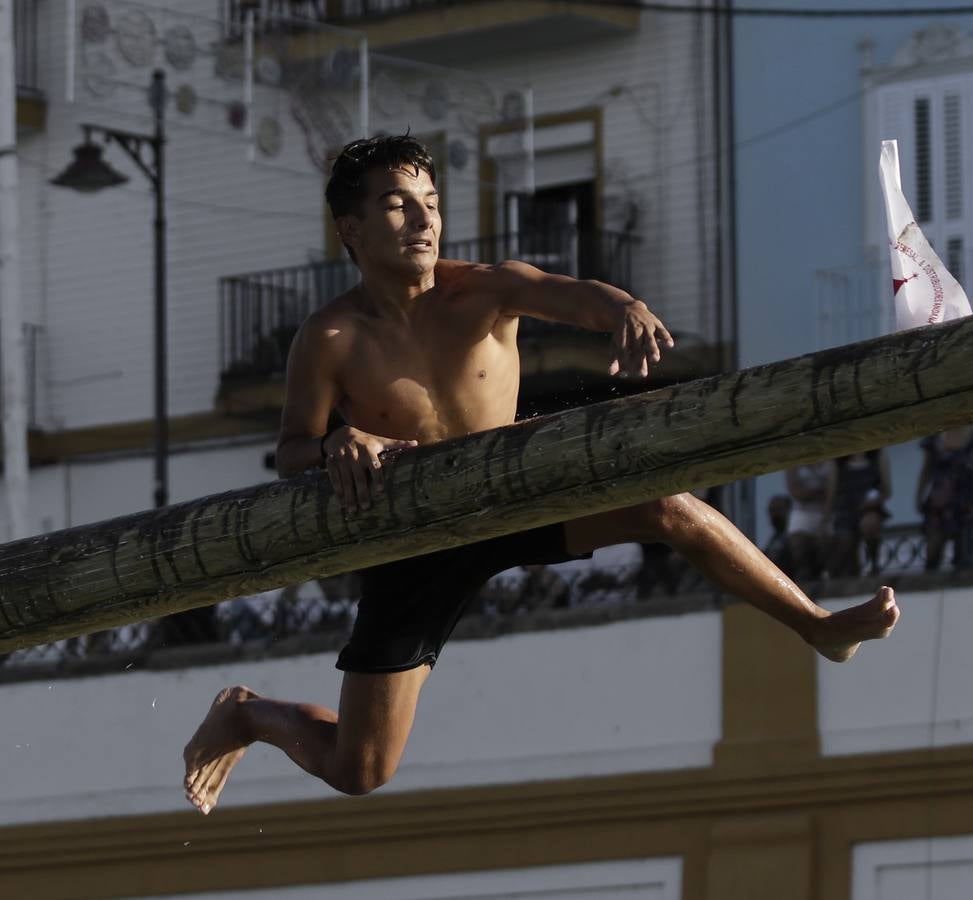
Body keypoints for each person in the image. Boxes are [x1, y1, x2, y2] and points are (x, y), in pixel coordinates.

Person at [182, 135, 900, 814]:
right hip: (410, 538)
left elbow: (573, 293)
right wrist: (338, 442)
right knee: (361, 770)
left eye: (431, 201)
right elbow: (291, 452)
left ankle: (816, 624)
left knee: (664, 506)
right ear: (351, 229)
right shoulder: (330, 337)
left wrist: (625, 308)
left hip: (509, 495)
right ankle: (248, 713)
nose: (423, 219)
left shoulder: (485, 291)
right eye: (399, 204)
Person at [917, 425, 973, 570]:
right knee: (933, 549)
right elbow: (926, 469)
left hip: (965, 501)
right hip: (939, 501)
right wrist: (919, 496)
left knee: (963, 552)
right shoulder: (934, 438)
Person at [824, 450, 891, 578]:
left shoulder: (878, 457)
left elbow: (886, 490)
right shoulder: (837, 461)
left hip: (869, 507)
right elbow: (831, 493)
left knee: (869, 524)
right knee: (845, 541)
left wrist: (872, 501)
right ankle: (851, 573)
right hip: (845, 508)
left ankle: (873, 564)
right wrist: (826, 518)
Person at [784, 461, 834, 579]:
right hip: (801, 511)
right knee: (798, 546)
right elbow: (795, 491)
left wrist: (826, 516)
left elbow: (832, 490)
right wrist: (819, 491)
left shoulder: (829, 462)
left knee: (824, 545)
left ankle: (823, 576)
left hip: (824, 511)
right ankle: (802, 579)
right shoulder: (794, 462)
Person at [761, 494, 793, 572]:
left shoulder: (794, 537)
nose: (775, 514)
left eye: (779, 509)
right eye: (772, 510)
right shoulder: (774, 539)